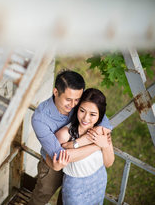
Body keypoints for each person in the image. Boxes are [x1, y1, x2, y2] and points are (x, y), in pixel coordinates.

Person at [28, 70, 112, 205]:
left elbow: (104, 124)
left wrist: (77, 143)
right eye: (68, 100)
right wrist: (97, 144)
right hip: (52, 164)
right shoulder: (40, 118)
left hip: (78, 165)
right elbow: (61, 156)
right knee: (41, 196)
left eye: (77, 100)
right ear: (56, 92)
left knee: (66, 198)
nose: (73, 105)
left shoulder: (79, 102)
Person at [52, 88, 114, 204]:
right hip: (75, 186)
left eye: (92, 114)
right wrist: (98, 145)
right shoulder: (65, 134)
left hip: (99, 180)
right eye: (82, 111)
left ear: (100, 116)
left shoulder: (102, 131)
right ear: (77, 108)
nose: (86, 118)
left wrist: (104, 146)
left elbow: (108, 163)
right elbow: (66, 156)